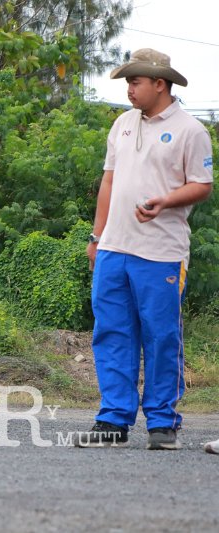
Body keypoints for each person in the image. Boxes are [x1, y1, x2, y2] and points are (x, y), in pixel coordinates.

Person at [77, 49, 213, 449]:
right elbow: (108, 182)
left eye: (135, 82)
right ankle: (113, 421)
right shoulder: (121, 123)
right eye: (127, 81)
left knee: (160, 336)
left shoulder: (191, 130)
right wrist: (96, 237)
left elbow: (202, 185)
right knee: (111, 333)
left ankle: (162, 423)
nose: (129, 89)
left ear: (159, 84)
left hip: (161, 253)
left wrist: (165, 201)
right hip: (113, 248)